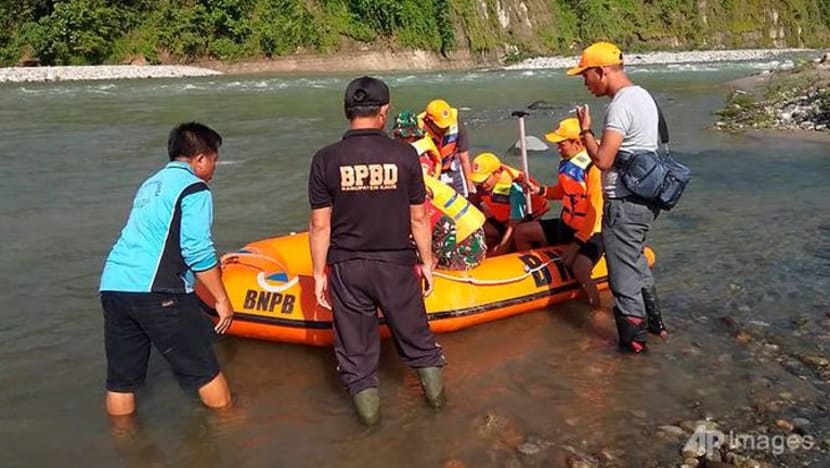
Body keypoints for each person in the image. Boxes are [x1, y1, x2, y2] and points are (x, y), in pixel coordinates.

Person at [308, 77, 447, 426]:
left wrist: (317, 273)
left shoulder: (325, 159)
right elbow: (418, 217)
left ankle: (370, 433)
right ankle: (441, 415)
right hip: (396, 265)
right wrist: (427, 263)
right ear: (384, 112)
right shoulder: (405, 156)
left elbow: (320, 225)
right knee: (419, 342)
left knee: (356, 357)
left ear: (347, 111)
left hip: (347, 267)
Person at [99, 122, 233, 417]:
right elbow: (196, 249)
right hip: (158, 291)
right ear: (200, 159)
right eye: (214, 158)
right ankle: (230, 432)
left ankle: (127, 446)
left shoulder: (151, 184)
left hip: (113, 286)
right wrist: (221, 300)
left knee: (121, 382)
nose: (215, 166)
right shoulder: (195, 188)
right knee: (205, 370)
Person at [568, 41, 669, 352]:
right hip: (646, 200)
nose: (585, 82)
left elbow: (603, 160)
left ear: (602, 71)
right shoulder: (644, 96)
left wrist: (585, 132)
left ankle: (634, 347)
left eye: (586, 75)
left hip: (624, 203)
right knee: (637, 263)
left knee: (623, 278)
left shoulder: (620, 105)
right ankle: (656, 326)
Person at [516, 117, 604, 307]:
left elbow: (595, 211)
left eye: (561, 143)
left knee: (580, 269)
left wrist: (575, 245)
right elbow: (562, 191)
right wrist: (540, 191)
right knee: (523, 232)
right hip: (567, 224)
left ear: (578, 143)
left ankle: (597, 311)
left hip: (591, 233)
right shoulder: (567, 163)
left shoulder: (594, 169)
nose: (557, 148)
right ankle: (529, 284)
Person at [392, 112, 487, 271]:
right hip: (467, 236)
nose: (399, 141)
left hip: (466, 248)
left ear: (415, 137)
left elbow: (446, 226)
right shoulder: (420, 163)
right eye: (398, 137)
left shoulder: (417, 176)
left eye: (404, 137)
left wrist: (429, 263)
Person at [469, 152, 549, 255]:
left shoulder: (515, 188)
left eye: (485, 180)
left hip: (524, 221)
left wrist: (500, 248)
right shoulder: (485, 187)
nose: (482, 184)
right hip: (503, 221)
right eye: (479, 181)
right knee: (481, 229)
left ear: (497, 173)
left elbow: (513, 225)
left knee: (518, 234)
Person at [418, 99, 475, 197]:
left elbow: (464, 157)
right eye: (441, 126)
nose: (446, 128)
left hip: (454, 166)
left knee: (466, 197)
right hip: (432, 173)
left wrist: (470, 186)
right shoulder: (419, 129)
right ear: (429, 121)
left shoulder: (456, 121)